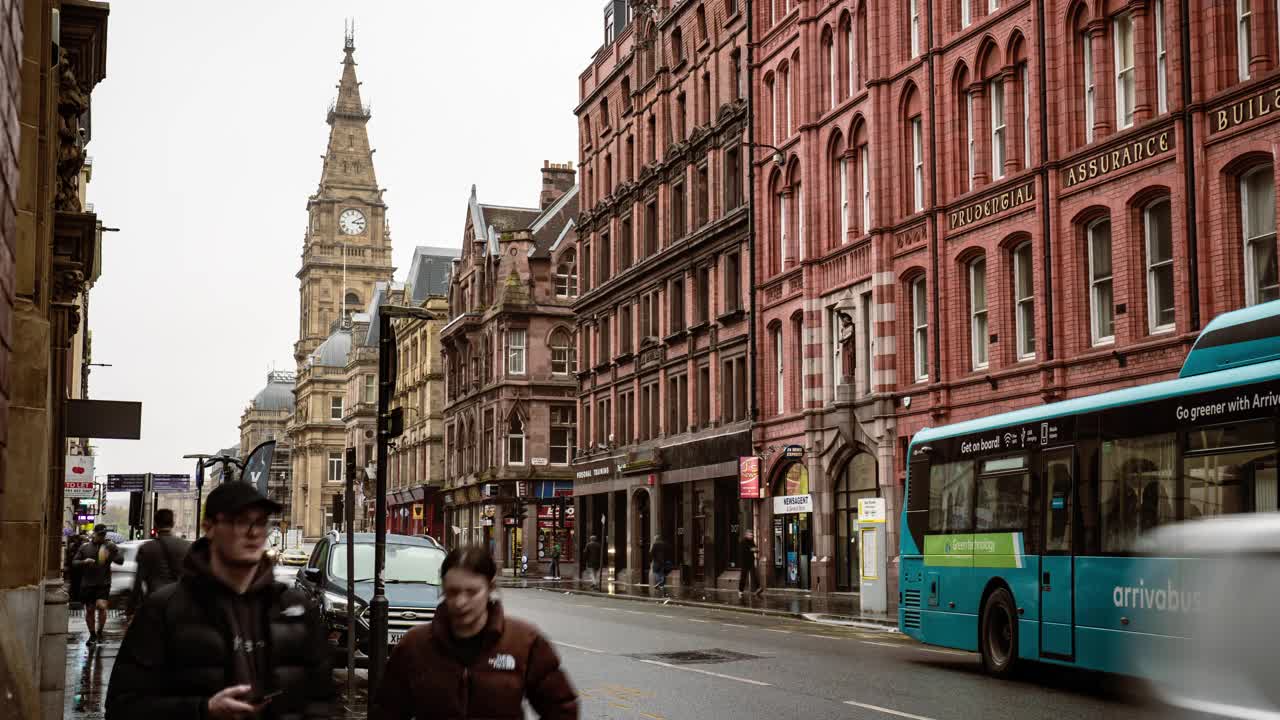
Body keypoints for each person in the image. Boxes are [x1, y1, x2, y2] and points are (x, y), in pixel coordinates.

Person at [106, 482, 334, 720]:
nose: (254, 532)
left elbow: (321, 702)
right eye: (241, 521)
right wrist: (204, 710)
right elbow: (123, 707)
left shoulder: (294, 608)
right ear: (209, 527)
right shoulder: (164, 609)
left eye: (262, 522)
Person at [375, 546, 578, 719]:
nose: (461, 602)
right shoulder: (415, 645)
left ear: (490, 589)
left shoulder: (523, 642)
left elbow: (562, 708)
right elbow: (386, 711)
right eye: (453, 592)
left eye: (472, 592)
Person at [130, 508, 191, 612]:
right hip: (179, 602)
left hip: (155, 602)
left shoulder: (146, 548)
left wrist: (132, 606)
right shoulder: (186, 546)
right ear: (172, 523)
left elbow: (138, 581)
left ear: (155, 524)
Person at [74, 524, 120, 644]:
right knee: (89, 610)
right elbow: (74, 562)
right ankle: (92, 634)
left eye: (104, 534)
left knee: (101, 606)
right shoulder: (85, 547)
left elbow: (120, 560)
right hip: (88, 583)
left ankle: (100, 631)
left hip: (103, 583)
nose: (102, 537)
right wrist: (85, 561)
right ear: (94, 534)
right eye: (100, 534)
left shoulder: (110, 546)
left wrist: (110, 556)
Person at [738, 531, 763, 598]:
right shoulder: (743, 542)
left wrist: (755, 550)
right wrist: (751, 549)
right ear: (746, 535)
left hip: (751, 561)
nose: (751, 536)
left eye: (752, 535)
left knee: (754, 575)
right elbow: (745, 550)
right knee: (743, 577)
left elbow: (755, 549)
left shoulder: (751, 541)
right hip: (744, 562)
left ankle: (758, 588)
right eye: (750, 535)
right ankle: (740, 591)